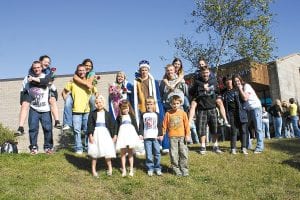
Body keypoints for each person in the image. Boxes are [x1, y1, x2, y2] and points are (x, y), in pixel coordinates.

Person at [16, 55, 61, 136]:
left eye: (49, 62)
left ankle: (57, 121)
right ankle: (20, 127)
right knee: (25, 104)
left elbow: (47, 81)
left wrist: (44, 80)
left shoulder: (49, 72)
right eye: (45, 61)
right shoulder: (32, 70)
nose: (47, 63)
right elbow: (30, 79)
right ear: (39, 62)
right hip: (30, 89)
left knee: (52, 100)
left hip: (48, 89)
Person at [133, 60, 168, 153]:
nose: (144, 72)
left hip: (153, 104)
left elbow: (158, 94)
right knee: (145, 125)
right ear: (140, 71)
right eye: (142, 70)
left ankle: (162, 144)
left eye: (145, 70)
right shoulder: (137, 82)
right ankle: (145, 146)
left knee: (158, 123)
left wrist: (158, 105)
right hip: (142, 106)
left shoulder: (153, 81)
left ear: (148, 70)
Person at [62, 64, 97, 154]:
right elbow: (64, 92)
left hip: (87, 111)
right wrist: (68, 102)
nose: (81, 72)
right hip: (76, 110)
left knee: (86, 130)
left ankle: (86, 147)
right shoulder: (72, 82)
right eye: (79, 70)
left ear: (86, 71)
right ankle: (78, 148)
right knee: (77, 130)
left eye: (83, 70)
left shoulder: (90, 83)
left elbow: (95, 94)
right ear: (77, 71)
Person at [189, 64, 223, 155]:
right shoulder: (197, 83)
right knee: (201, 129)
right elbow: (191, 93)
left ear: (209, 73)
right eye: (203, 73)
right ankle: (203, 146)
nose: (205, 74)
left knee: (215, 128)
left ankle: (215, 145)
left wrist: (218, 99)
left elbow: (218, 92)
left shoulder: (214, 81)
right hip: (201, 108)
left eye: (207, 72)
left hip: (212, 107)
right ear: (201, 73)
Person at [188, 57, 230, 128]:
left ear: (206, 64)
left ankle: (224, 119)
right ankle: (189, 122)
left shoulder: (211, 73)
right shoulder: (196, 73)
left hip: (211, 94)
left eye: (202, 64)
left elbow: (213, 81)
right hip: (200, 94)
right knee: (193, 104)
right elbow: (196, 82)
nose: (201, 65)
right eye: (200, 64)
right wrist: (203, 85)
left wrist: (207, 85)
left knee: (219, 102)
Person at [24, 61, 53, 154]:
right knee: (33, 129)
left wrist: (34, 79)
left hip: (46, 109)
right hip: (34, 109)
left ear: (41, 68)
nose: (36, 69)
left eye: (38, 67)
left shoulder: (46, 76)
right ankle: (33, 147)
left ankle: (48, 148)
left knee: (48, 129)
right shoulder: (28, 78)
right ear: (32, 69)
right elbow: (27, 87)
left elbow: (45, 82)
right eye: (34, 68)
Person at [62, 58, 99, 130]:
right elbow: (75, 78)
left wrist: (91, 82)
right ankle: (67, 123)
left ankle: (94, 118)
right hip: (76, 97)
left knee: (93, 99)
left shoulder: (92, 73)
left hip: (88, 97)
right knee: (68, 101)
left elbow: (91, 83)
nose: (88, 67)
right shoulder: (77, 75)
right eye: (86, 65)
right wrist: (83, 83)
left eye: (90, 66)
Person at [233, 74, 264, 153]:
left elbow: (245, 98)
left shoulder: (246, 86)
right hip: (247, 110)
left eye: (238, 81)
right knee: (245, 127)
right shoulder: (237, 90)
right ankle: (247, 145)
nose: (237, 83)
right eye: (235, 82)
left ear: (240, 80)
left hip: (255, 107)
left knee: (258, 127)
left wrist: (240, 89)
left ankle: (260, 147)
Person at [87, 95, 116, 177]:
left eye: (100, 102)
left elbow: (111, 125)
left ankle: (110, 168)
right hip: (96, 133)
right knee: (94, 152)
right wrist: (90, 135)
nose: (99, 104)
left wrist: (113, 135)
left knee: (107, 151)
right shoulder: (92, 114)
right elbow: (90, 125)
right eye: (97, 103)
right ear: (95, 104)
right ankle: (93, 170)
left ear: (103, 103)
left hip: (105, 133)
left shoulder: (108, 114)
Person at [162, 95, 190, 176]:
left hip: (182, 137)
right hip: (172, 137)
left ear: (180, 103)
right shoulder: (168, 113)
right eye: (173, 103)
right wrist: (163, 133)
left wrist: (187, 135)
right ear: (171, 104)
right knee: (174, 154)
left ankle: (184, 169)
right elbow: (164, 125)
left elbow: (187, 125)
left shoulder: (183, 113)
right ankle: (176, 169)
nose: (175, 105)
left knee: (183, 153)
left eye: (177, 103)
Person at [223, 75, 248, 154]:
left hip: (241, 112)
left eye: (230, 80)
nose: (228, 82)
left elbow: (244, 99)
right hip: (231, 114)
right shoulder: (224, 93)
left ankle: (244, 147)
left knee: (243, 130)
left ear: (232, 82)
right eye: (227, 81)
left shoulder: (237, 90)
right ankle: (233, 148)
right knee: (233, 131)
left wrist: (240, 89)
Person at [139, 97, 163, 176]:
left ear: (154, 105)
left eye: (151, 104)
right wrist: (141, 134)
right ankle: (150, 168)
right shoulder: (143, 114)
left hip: (155, 137)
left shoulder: (157, 114)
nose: (149, 106)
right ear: (145, 105)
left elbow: (159, 125)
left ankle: (157, 167)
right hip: (147, 137)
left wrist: (160, 134)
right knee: (149, 154)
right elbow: (141, 125)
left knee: (157, 153)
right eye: (147, 104)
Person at [115, 100, 140, 177]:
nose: (125, 110)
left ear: (129, 108)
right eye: (123, 108)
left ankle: (131, 169)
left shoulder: (132, 116)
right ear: (121, 109)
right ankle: (124, 169)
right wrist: (115, 135)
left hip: (130, 135)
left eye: (127, 108)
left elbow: (135, 125)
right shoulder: (119, 117)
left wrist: (138, 134)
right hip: (122, 136)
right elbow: (116, 127)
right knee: (122, 153)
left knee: (130, 152)